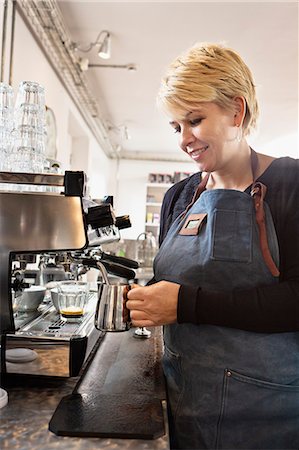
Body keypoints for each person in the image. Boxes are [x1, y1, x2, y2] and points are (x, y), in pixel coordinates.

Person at [126, 42, 299, 450]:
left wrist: (187, 305)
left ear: (236, 111)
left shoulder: (291, 185)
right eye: (176, 127)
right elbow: (170, 283)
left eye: (195, 120)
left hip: (265, 417)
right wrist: (143, 300)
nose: (184, 140)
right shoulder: (179, 197)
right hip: (183, 401)